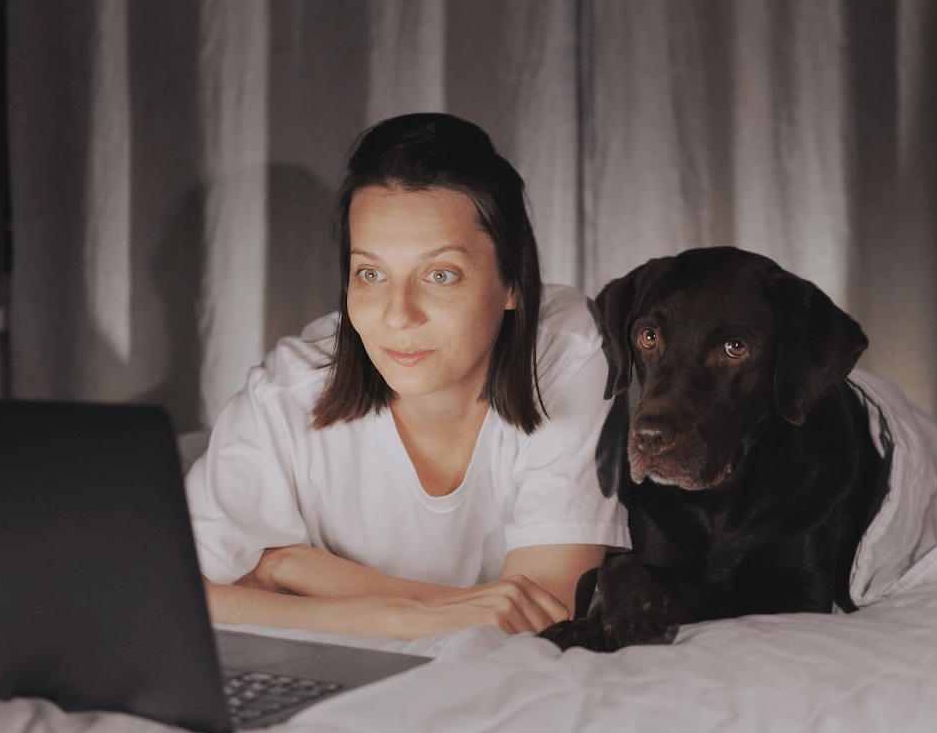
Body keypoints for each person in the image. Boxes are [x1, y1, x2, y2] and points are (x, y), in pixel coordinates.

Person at [189, 113, 628, 640]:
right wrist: (405, 617)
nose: (399, 315)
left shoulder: (567, 351)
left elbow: (542, 621)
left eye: (440, 275)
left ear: (513, 282)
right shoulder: (288, 390)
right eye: (370, 274)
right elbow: (174, 595)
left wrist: (289, 568)